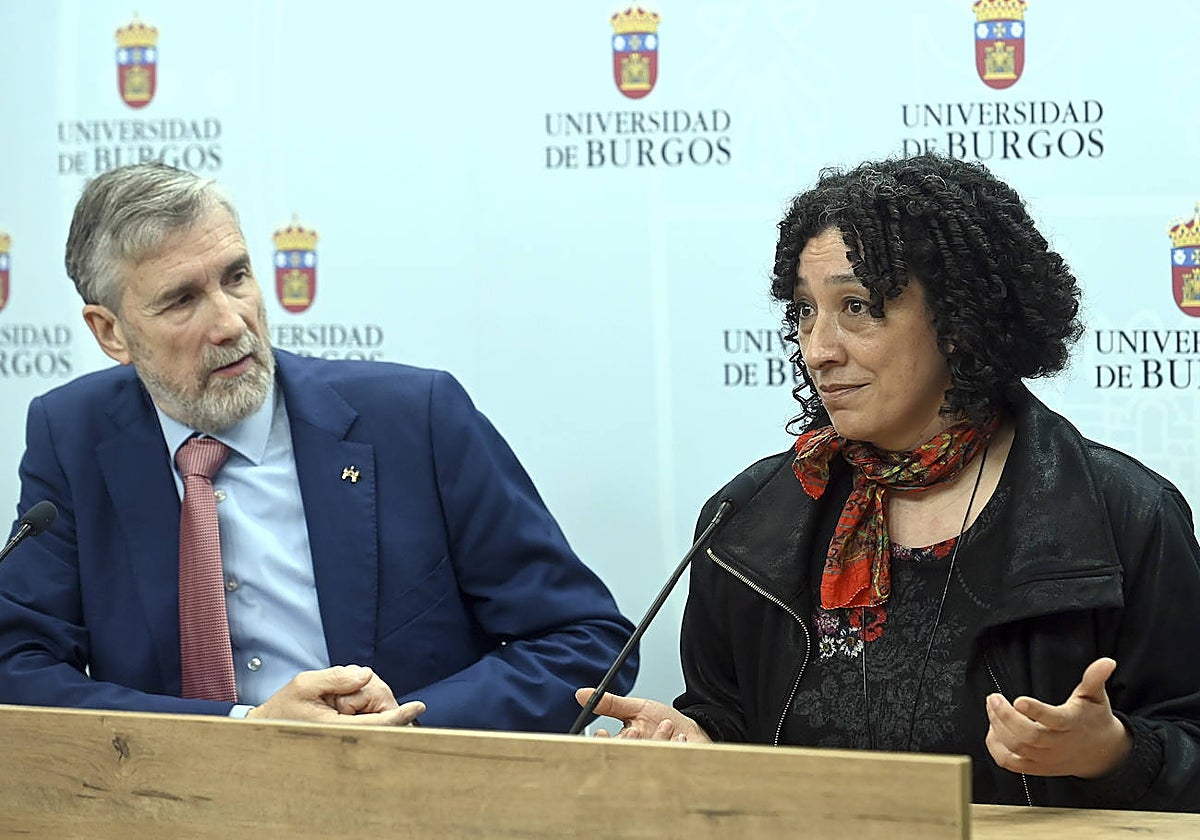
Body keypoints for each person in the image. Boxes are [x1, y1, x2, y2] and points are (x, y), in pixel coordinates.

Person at [577, 153, 1200, 810]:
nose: (818, 348)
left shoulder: (1123, 514)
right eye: (804, 312)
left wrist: (1112, 753)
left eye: (856, 307)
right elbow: (733, 722)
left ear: (960, 323)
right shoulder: (749, 518)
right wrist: (696, 743)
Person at [0, 161, 637, 731]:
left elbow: (585, 640)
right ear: (109, 331)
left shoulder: (414, 420)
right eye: (182, 301)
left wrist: (407, 727)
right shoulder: (72, 433)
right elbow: (16, 665)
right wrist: (240, 725)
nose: (230, 322)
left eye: (237, 276)